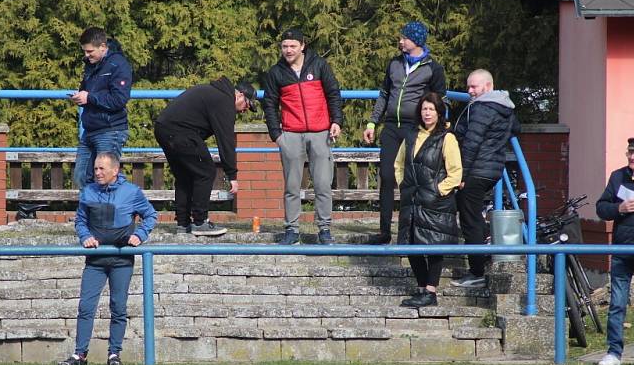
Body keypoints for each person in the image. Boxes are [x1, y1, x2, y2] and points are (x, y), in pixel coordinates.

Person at [58, 152, 157, 365]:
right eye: (95, 169)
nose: (97, 172)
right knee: (86, 306)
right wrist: (85, 237)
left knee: (118, 307)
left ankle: (114, 354)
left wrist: (139, 235)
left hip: (122, 260)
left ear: (115, 170)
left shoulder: (132, 192)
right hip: (95, 260)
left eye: (102, 169)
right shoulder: (88, 192)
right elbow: (81, 221)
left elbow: (151, 216)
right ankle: (80, 355)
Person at [363, 21, 446, 244]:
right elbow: (384, 94)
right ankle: (383, 232)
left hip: (415, 129)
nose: (400, 41)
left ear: (416, 41)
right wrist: (372, 123)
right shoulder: (394, 63)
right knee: (387, 177)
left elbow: (439, 102)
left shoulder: (433, 68)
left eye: (404, 38)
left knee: (410, 181)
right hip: (391, 127)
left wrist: (436, 130)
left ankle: (408, 232)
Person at [262, 28, 343, 245]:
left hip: (320, 132)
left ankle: (324, 229)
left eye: (292, 46)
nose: (288, 50)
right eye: (284, 46)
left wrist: (336, 121)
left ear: (302, 46)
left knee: (323, 184)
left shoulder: (319, 65)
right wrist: (277, 135)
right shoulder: (275, 73)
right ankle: (291, 230)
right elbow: (269, 104)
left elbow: (333, 93)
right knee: (291, 185)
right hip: (290, 134)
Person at [154, 77, 257, 236]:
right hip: (180, 131)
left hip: (163, 128)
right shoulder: (224, 101)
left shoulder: (215, 93)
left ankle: (183, 223)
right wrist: (232, 174)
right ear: (240, 95)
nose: (244, 110)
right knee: (206, 171)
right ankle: (200, 222)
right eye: (247, 105)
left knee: (185, 175)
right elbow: (226, 140)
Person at [450, 69, 519, 289]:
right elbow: (515, 129)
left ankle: (477, 272)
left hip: (475, 170)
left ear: (487, 87)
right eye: (468, 87)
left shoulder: (481, 108)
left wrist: (460, 174)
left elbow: (471, 144)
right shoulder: (505, 106)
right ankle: (484, 251)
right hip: (492, 169)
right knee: (474, 217)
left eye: (474, 87)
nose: (469, 91)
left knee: (470, 221)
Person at [395, 92, 462, 307]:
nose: (427, 113)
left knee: (434, 246)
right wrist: (404, 185)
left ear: (439, 112)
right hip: (412, 201)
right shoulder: (410, 135)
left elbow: (455, 173)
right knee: (411, 245)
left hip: (436, 203)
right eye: (424, 109)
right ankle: (422, 288)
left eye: (431, 109)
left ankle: (431, 292)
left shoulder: (447, 137)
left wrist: (438, 190)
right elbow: (399, 164)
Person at [595, 137, 634, 365]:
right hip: (622, 249)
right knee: (617, 304)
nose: (632, 157)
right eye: (630, 153)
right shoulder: (618, 176)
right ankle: (613, 354)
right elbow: (601, 208)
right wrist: (619, 208)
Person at [70, 27, 133, 188]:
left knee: (107, 179)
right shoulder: (91, 65)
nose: (86, 55)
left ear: (103, 47)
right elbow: (90, 93)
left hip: (110, 130)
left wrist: (89, 97)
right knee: (81, 178)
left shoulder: (119, 65)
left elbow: (119, 99)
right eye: (84, 51)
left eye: (90, 51)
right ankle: (89, 213)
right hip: (90, 129)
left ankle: (123, 209)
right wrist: (80, 96)